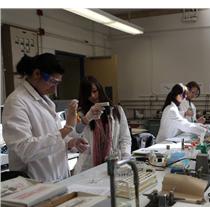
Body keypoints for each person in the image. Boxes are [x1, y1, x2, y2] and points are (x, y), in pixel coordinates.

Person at [2, 53, 88, 182]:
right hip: (34, 183)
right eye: (53, 82)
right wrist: (67, 128)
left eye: (58, 83)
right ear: (37, 74)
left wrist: (70, 142)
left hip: (56, 178)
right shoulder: (17, 101)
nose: (54, 89)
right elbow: (25, 150)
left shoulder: (45, 101)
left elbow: (51, 138)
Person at [73, 76, 131, 174]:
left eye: (95, 91)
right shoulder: (81, 113)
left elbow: (125, 138)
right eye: (88, 94)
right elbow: (75, 134)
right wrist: (87, 118)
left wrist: (125, 157)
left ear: (100, 89)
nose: (93, 96)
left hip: (114, 163)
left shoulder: (117, 111)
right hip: (88, 167)